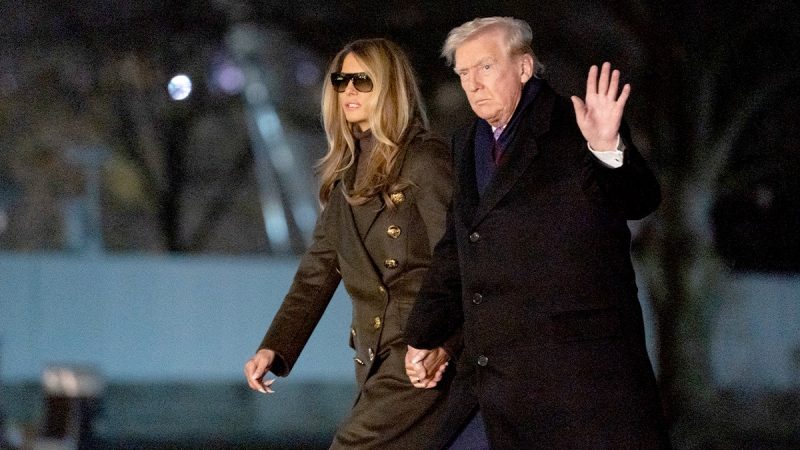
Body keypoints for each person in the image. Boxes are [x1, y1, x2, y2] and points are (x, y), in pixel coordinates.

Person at [404, 17, 671, 449]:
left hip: (577, 385)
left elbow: (639, 199)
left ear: (524, 67)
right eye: (463, 73)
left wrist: (607, 147)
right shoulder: (467, 141)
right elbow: (459, 245)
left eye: (485, 67)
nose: (473, 84)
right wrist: (424, 335)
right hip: (492, 384)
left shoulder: (578, 124)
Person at [243, 38, 457, 449]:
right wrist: (275, 346)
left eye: (363, 80)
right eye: (341, 81)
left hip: (420, 356)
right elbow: (316, 273)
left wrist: (444, 345)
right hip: (375, 358)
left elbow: (461, 261)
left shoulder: (425, 160)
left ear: (390, 87)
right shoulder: (346, 179)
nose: (349, 90)